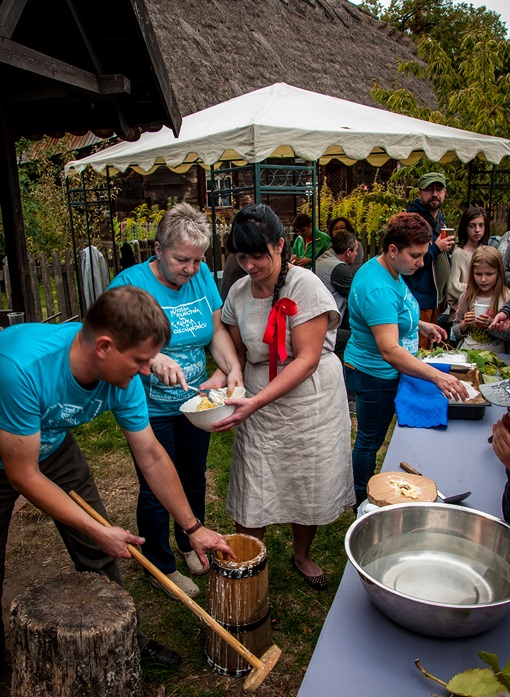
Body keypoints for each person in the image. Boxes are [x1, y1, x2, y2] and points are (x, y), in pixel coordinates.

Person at [0, 286, 235, 670]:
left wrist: (193, 528)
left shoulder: (123, 379)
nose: (146, 371)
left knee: (98, 547)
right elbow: (23, 475)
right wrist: (96, 527)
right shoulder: (21, 369)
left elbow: (152, 456)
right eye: (140, 360)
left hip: (52, 443)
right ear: (104, 347)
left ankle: (124, 639)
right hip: (9, 449)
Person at [214, 204, 355, 590]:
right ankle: (248, 559)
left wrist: (256, 401)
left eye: (258, 255)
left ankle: (301, 554)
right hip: (259, 402)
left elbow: (307, 360)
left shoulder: (305, 285)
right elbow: (239, 353)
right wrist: (223, 376)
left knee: (306, 479)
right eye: (242, 256)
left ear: (280, 245)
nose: (249, 265)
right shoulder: (239, 292)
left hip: (310, 402)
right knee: (253, 481)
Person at [109, 203, 242, 600]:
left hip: (194, 402)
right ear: (158, 249)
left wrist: (232, 367)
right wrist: (153, 357)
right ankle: (160, 566)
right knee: (154, 487)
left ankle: (189, 541)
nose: (191, 269)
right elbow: (113, 340)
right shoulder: (130, 284)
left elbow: (216, 330)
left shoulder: (201, 280)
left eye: (198, 260)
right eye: (182, 259)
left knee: (193, 475)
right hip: (148, 405)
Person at [344, 213, 468, 506]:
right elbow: (389, 349)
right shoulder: (378, 287)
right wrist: (437, 376)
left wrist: (420, 325)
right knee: (369, 441)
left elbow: (392, 315)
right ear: (393, 249)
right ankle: (361, 497)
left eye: (424, 254)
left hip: (378, 371)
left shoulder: (388, 269)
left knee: (372, 437)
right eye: (415, 255)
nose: (422, 262)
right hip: (374, 375)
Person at [404, 172, 455, 349]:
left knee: (429, 349)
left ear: (445, 192)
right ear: (419, 194)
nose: (435, 194)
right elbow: (408, 260)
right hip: (419, 298)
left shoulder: (439, 219)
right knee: (417, 349)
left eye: (439, 190)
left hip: (435, 300)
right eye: (429, 190)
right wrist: (436, 248)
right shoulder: (413, 221)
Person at [452, 245, 510, 353]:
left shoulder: (506, 297)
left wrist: (490, 324)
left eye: (489, 274)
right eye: (478, 274)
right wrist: (464, 324)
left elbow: (508, 335)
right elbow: (455, 330)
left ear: (499, 272)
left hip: (496, 358)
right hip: (466, 354)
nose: (483, 279)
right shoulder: (467, 296)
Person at [315, 229, 357, 357]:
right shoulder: (338, 268)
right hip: (326, 328)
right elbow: (356, 296)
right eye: (355, 250)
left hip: (320, 320)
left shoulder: (322, 259)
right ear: (348, 252)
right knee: (359, 339)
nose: (357, 253)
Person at [446, 206, 489, 319]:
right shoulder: (459, 253)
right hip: (461, 314)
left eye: (481, 225)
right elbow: (453, 287)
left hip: (482, 312)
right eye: (472, 226)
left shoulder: (486, 251)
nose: (477, 230)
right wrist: (478, 287)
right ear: (465, 227)